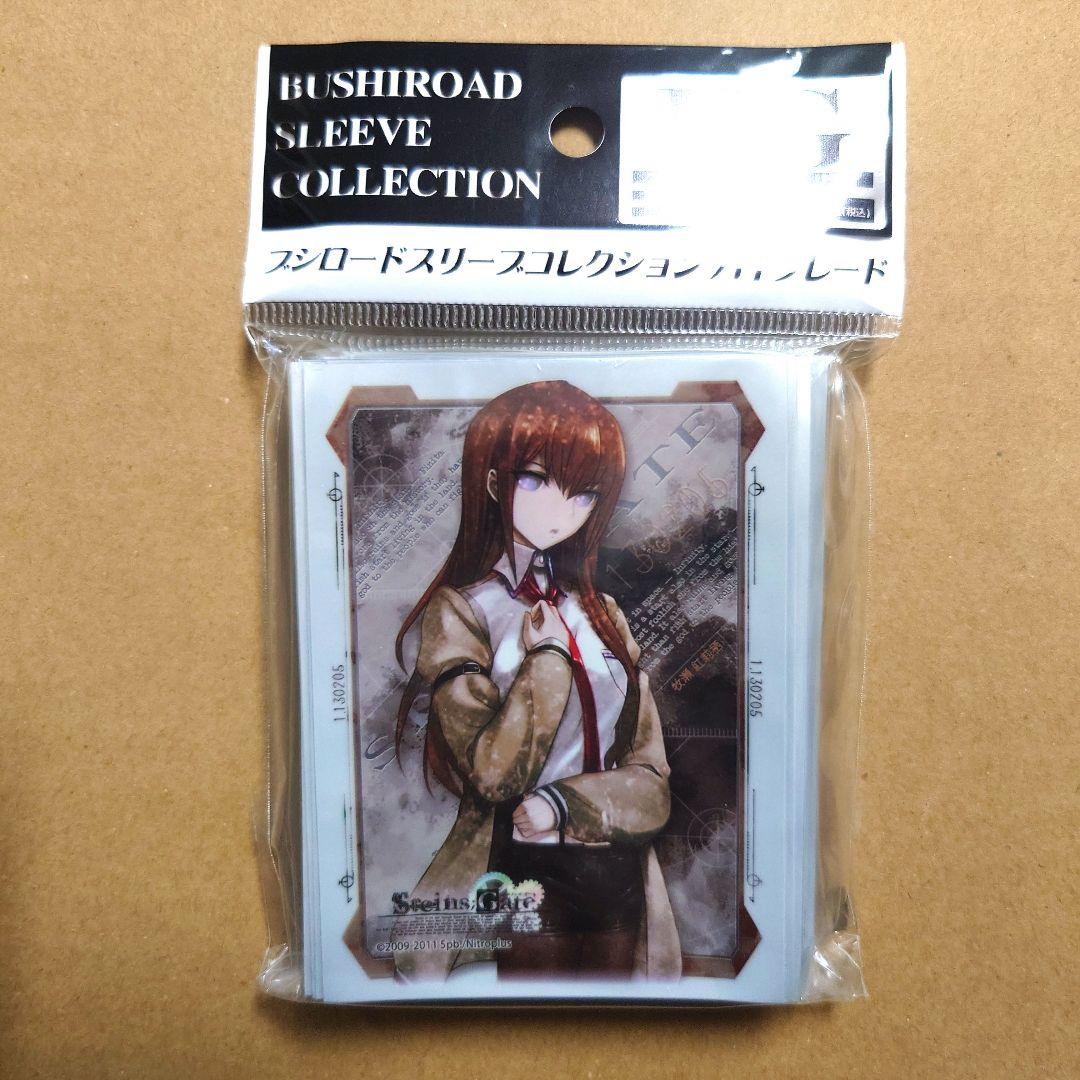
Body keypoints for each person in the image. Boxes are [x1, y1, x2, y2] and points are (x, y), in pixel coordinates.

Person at [350, 380, 681, 982]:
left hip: (618, 871)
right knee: (531, 1016)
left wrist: (566, 804)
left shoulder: (604, 614)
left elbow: (652, 779)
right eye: (535, 480)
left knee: (617, 1023)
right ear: (492, 482)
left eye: (583, 493)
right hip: (519, 868)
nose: (559, 510)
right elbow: (493, 775)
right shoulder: (462, 611)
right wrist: (547, 658)